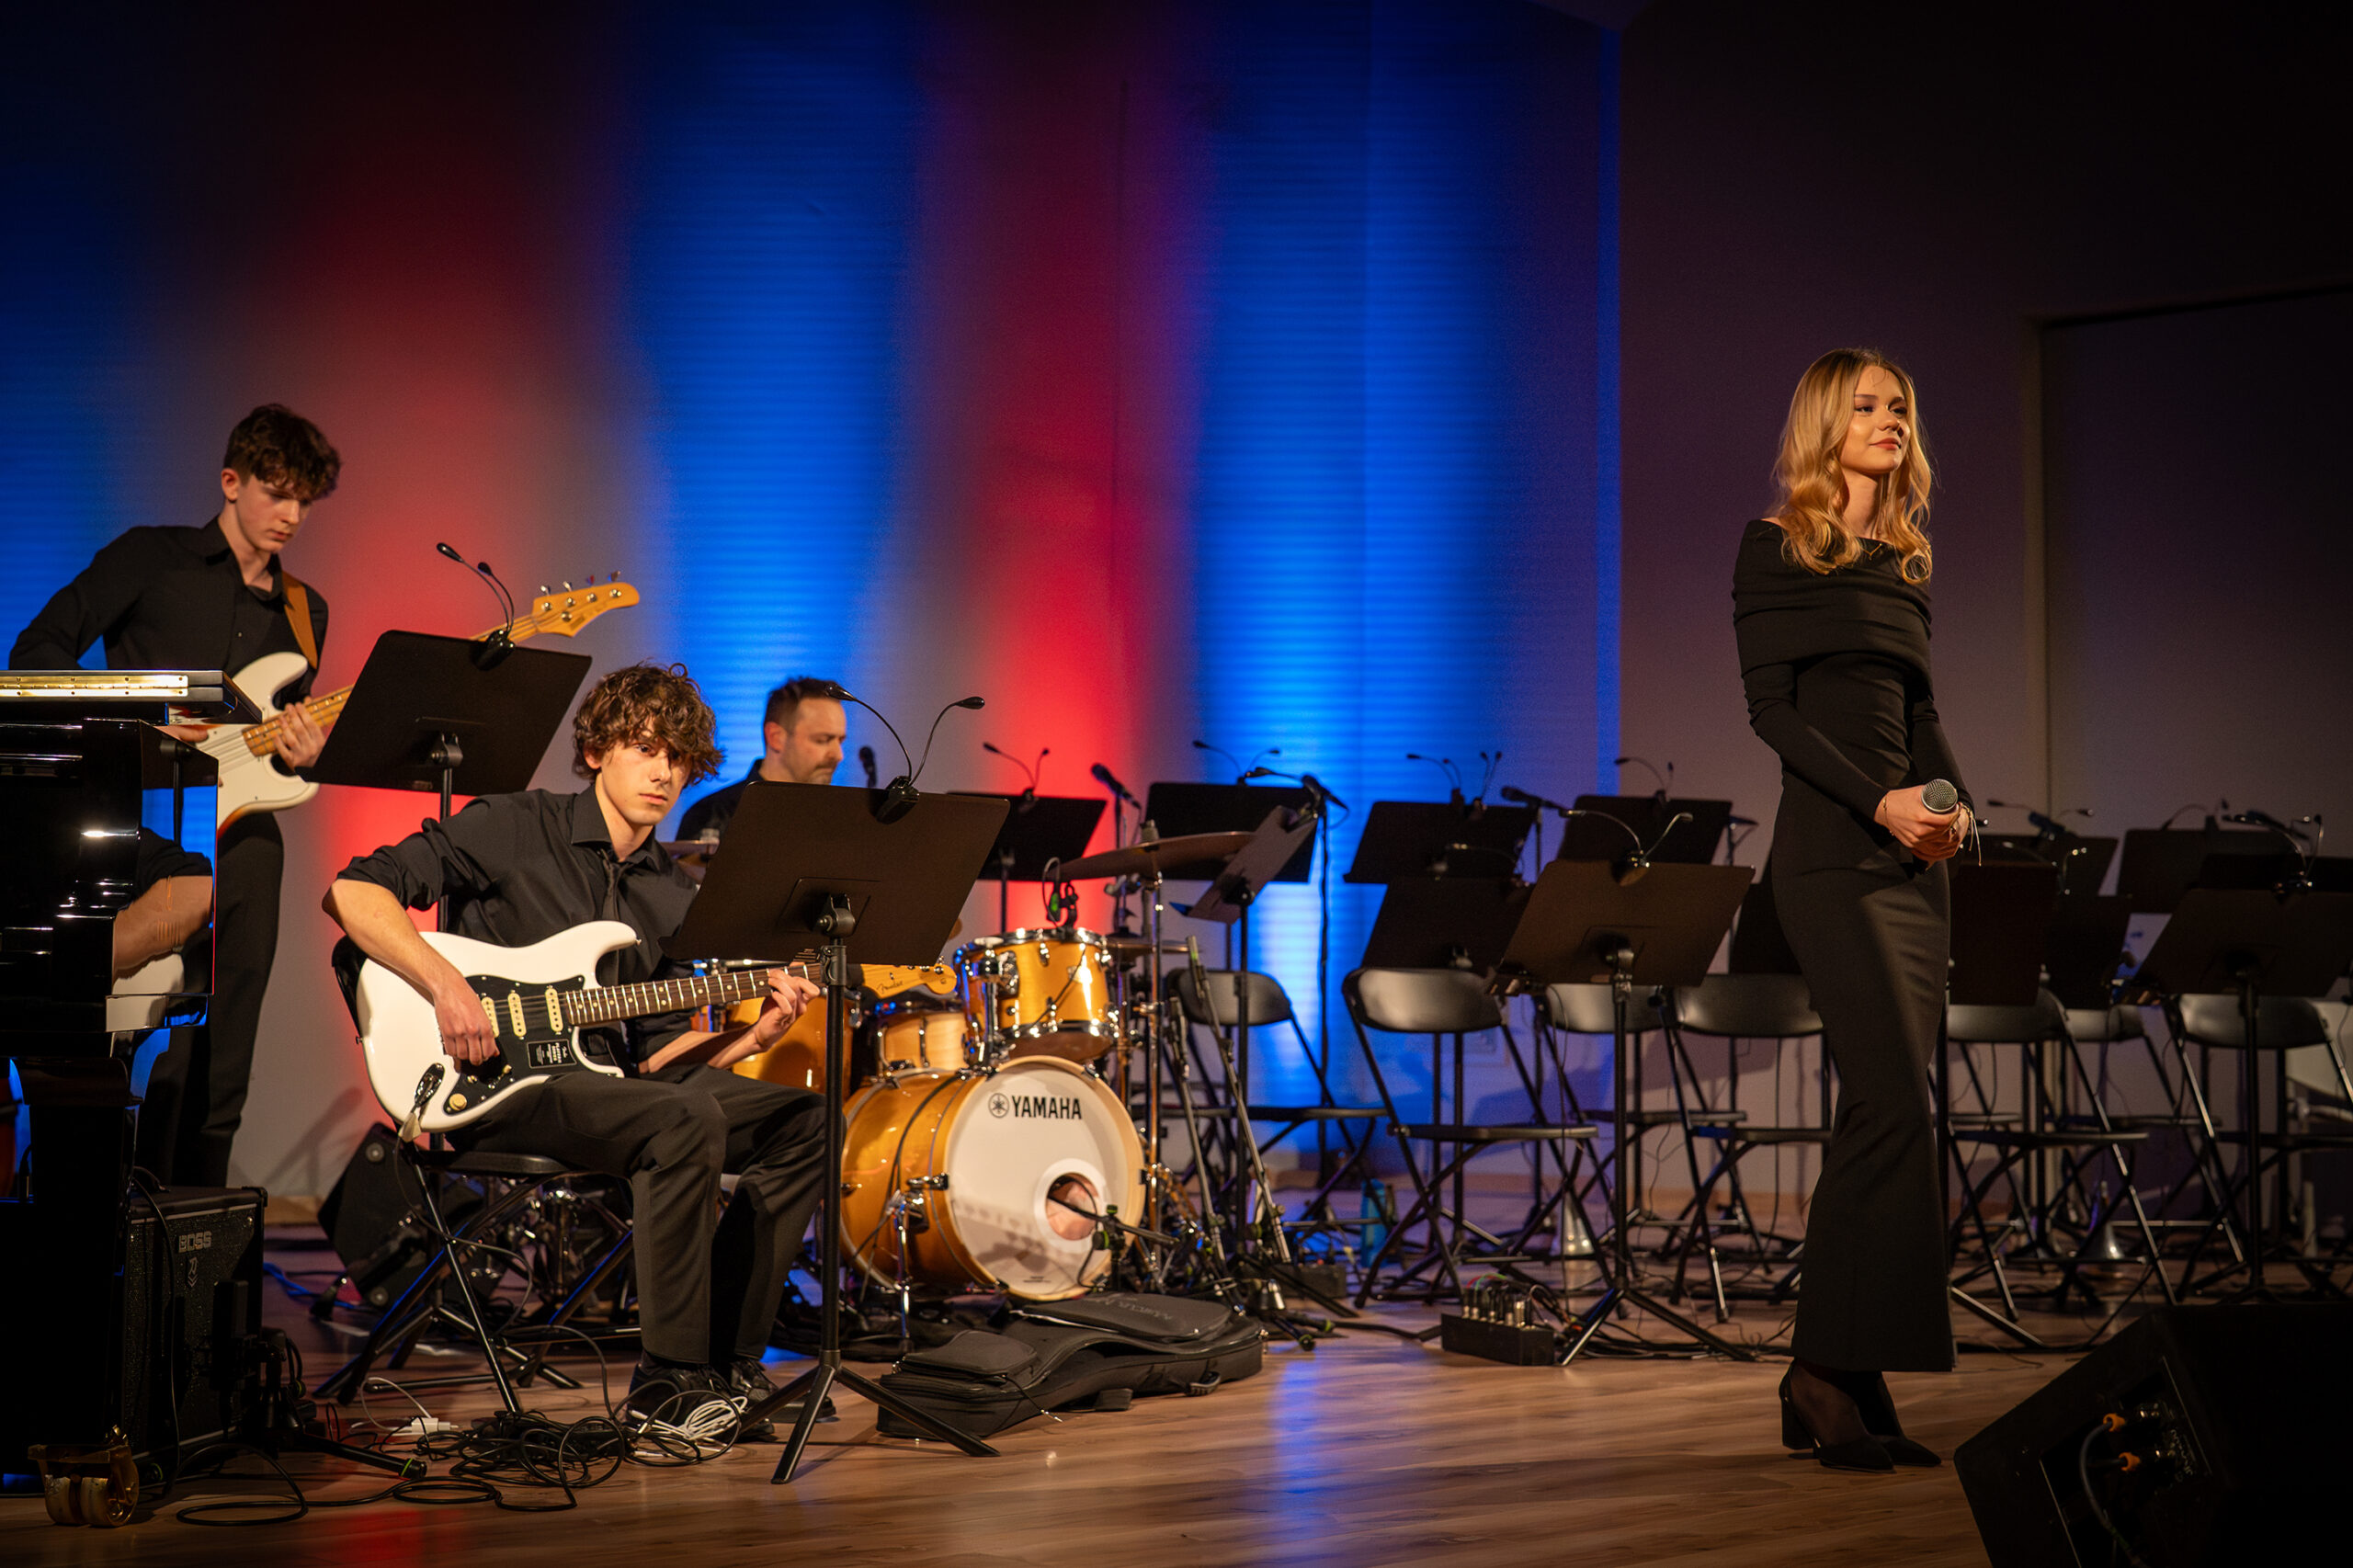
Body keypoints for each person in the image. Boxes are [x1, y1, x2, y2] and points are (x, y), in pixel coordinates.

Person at [323, 662, 829, 1426]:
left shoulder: (671, 893)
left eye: (678, 757)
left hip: (607, 1090)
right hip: (495, 1087)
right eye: (645, 749)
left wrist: (752, 1034)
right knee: (683, 1120)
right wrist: (447, 987)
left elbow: (655, 1062)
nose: (664, 773)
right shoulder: (515, 826)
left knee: (811, 1123)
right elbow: (354, 890)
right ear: (596, 751)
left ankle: (728, 1362)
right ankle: (667, 1382)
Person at [1732, 347, 1972, 1472]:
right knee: (1889, 1104)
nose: (1889, 419)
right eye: (1867, 404)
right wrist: (1878, 801)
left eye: (1899, 407)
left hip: (1913, 863)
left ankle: (1846, 1367)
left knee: (1890, 1112)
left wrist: (1951, 803)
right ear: (1826, 424)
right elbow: (1772, 714)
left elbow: (1917, 714)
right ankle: (1824, 1372)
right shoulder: (1775, 547)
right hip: (1832, 855)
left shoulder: (1903, 560)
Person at [11, 403, 340, 1187]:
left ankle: (197, 1222)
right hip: (137, 815)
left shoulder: (306, 611)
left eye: (304, 501)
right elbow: (35, 651)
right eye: (277, 493)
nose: (291, 516)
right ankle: (102, 1201)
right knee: (133, 1032)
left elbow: (283, 738)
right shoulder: (148, 557)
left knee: (225, 1051)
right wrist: (140, 717)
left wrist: (306, 751)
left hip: (246, 837)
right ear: (231, 481)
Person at [675, 676, 847, 842]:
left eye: (840, 741)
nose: (838, 755)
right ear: (775, 737)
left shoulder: (841, 820)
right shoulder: (714, 816)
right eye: (822, 740)